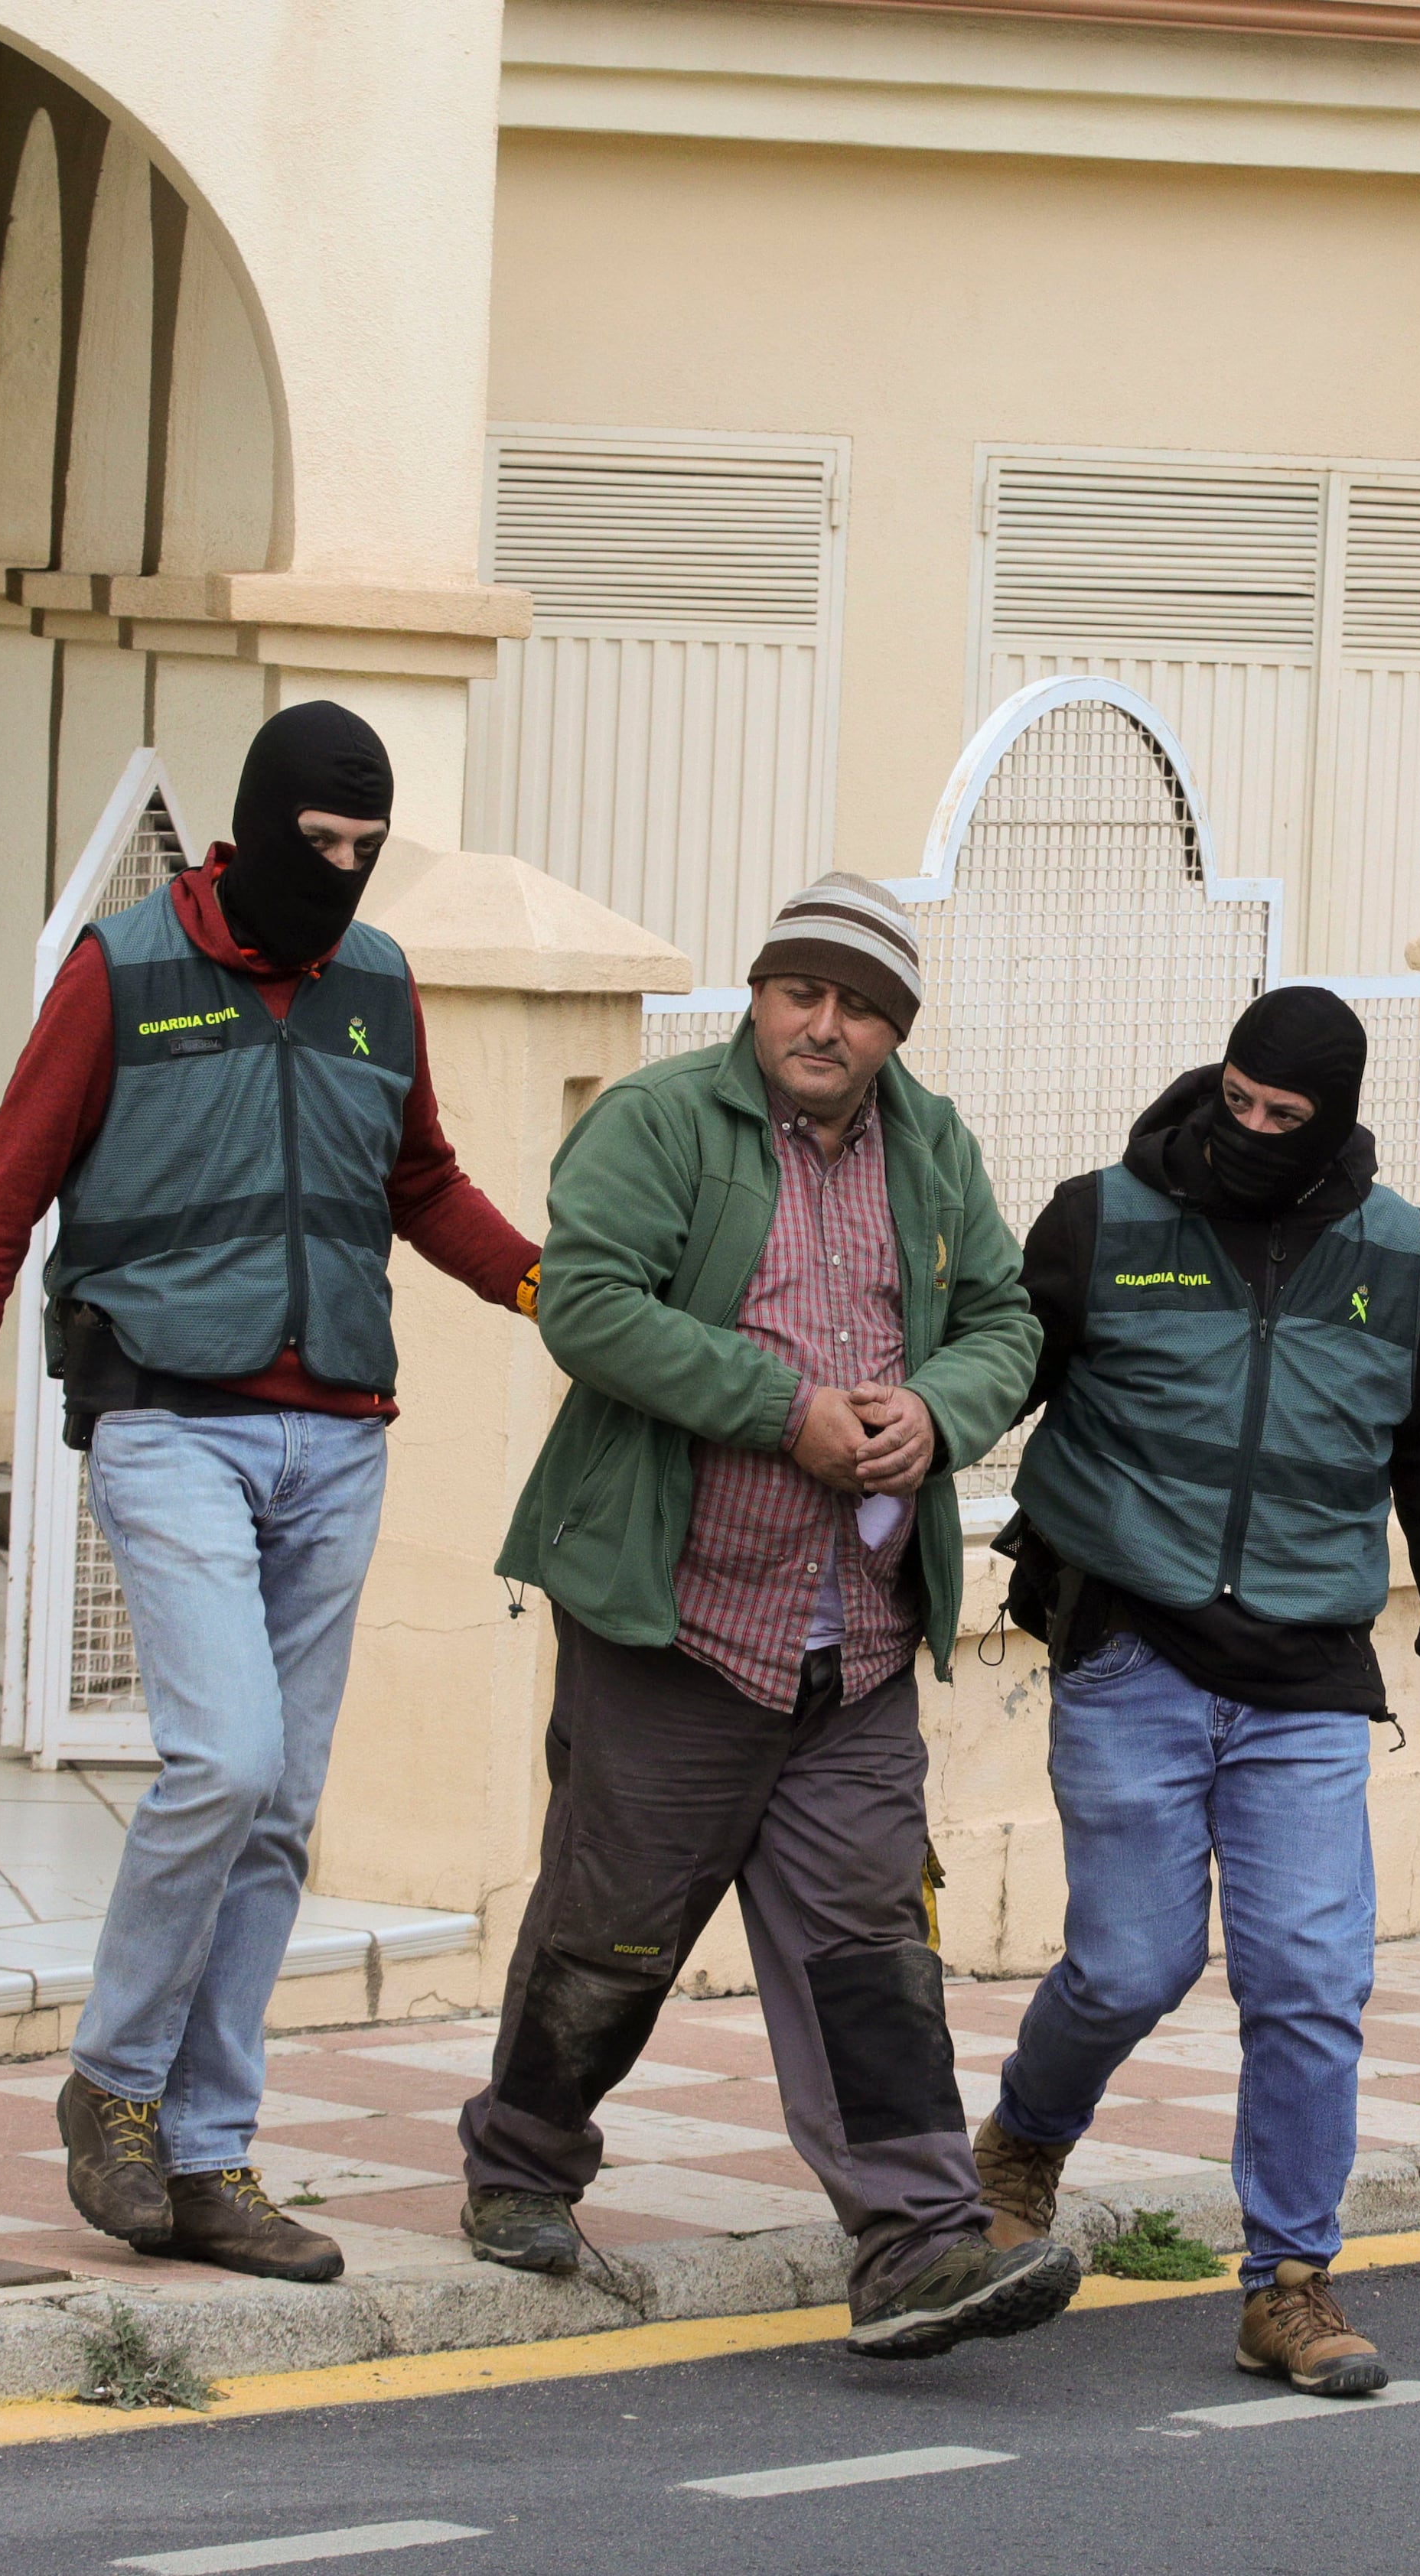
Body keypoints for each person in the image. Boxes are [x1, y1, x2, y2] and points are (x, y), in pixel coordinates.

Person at [0, 703, 542, 2282]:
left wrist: (551, 1294)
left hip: (341, 1434)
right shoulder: (123, 968)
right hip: (169, 1417)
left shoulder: (377, 982)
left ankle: (208, 2153)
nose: (347, 873)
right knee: (224, 1760)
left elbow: (422, 1184)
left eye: (369, 850)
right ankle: (111, 2086)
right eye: (323, 846)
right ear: (257, 826)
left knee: (281, 1811)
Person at [455, 873, 1079, 2359]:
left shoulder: (931, 1147)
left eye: (859, 1003)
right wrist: (782, 1411)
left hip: (855, 1635)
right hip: (674, 1614)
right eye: (801, 988)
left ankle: (915, 2244)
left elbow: (1007, 1319)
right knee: (613, 1925)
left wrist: (936, 1411)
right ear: (758, 993)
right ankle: (522, 2164)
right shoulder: (662, 1121)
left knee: (869, 1941)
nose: (824, 1021)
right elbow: (585, 1305)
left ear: (892, 1028)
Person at [975, 986, 1420, 2395]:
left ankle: (1289, 2282)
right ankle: (1025, 2138)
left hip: (1310, 1677)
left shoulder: (1406, 1259)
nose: (1254, 1134)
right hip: (1131, 1646)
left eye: (1287, 1119)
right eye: (1240, 1104)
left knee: (1313, 1977)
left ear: (1335, 1117)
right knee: (1135, 1965)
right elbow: (994, 1375)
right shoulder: (1102, 1221)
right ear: (1220, 1080)